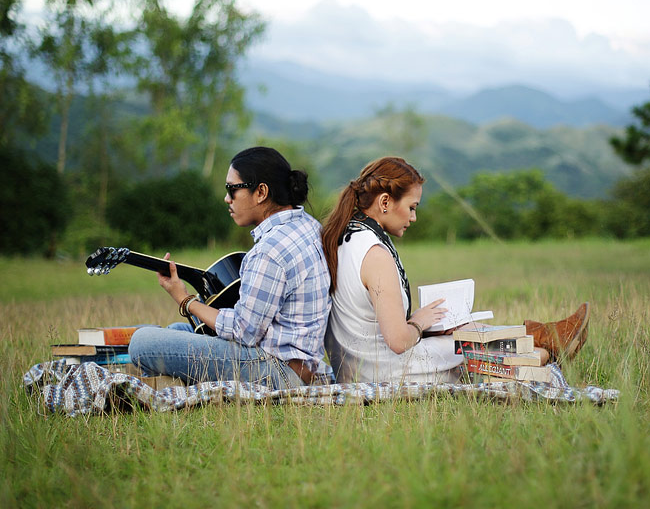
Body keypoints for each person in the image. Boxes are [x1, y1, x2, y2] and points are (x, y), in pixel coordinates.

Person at [321, 156, 589, 384]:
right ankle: (543, 351)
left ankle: (545, 340)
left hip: (358, 366)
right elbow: (399, 341)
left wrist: (428, 325)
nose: (414, 217)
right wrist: (420, 322)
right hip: (378, 370)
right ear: (385, 202)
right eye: (412, 208)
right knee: (467, 345)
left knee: (462, 333)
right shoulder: (375, 255)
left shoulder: (348, 238)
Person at [129, 147, 332, 389]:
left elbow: (244, 332)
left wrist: (185, 300)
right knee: (178, 330)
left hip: (276, 370)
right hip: (300, 364)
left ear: (261, 192)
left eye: (232, 189)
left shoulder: (269, 250)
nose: (227, 198)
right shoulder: (309, 225)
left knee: (141, 342)